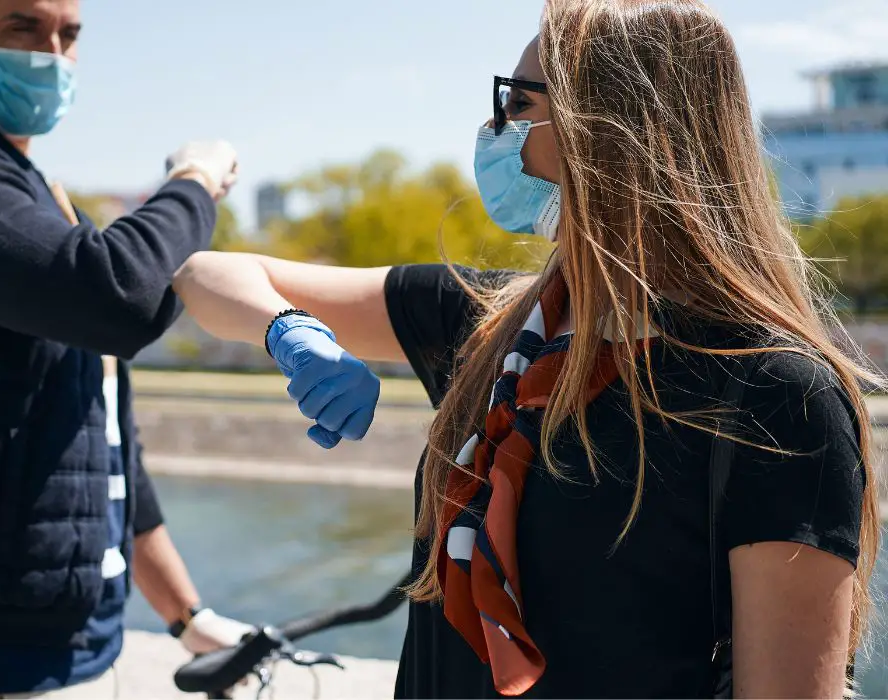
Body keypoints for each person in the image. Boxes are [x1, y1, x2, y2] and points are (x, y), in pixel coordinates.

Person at [171, 1, 882, 697]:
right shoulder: (485, 325)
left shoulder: (774, 395)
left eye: (516, 101)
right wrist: (286, 330)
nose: (493, 126)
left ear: (610, 130)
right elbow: (207, 275)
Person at [0, 0, 252, 697]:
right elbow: (119, 297)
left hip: (79, 653)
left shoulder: (41, 212)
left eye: (70, 35)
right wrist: (193, 182)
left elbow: (103, 449)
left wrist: (187, 615)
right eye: (24, 28)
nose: (54, 55)